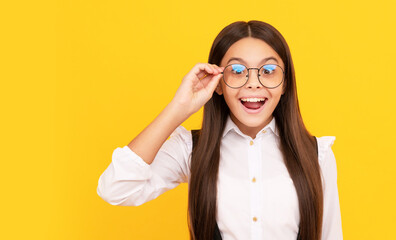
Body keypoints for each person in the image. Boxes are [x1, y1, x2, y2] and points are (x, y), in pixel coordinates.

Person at [96, 20, 343, 240]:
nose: (254, 83)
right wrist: (178, 108)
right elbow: (115, 188)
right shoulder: (192, 149)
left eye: (268, 71)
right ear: (218, 83)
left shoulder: (317, 155)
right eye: (237, 71)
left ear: (285, 83)